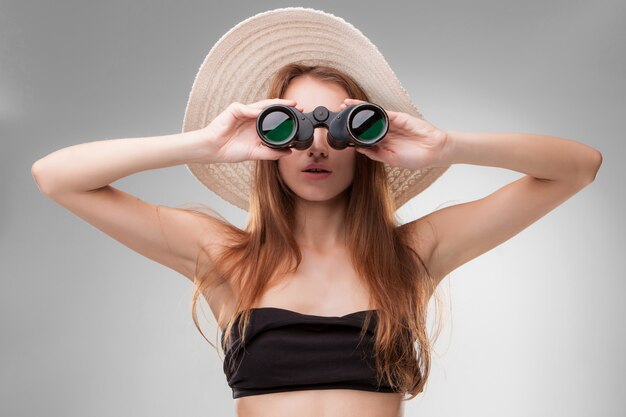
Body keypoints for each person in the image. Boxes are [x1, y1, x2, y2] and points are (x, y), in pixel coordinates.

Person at [30, 7, 602, 417]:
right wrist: (203, 144)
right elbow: (56, 177)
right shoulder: (226, 257)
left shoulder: (413, 255)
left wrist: (447, 146)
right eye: (292, 126)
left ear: (365, 143)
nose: (316, 145)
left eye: (336, 127)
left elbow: (578, 167)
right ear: (270, 148)